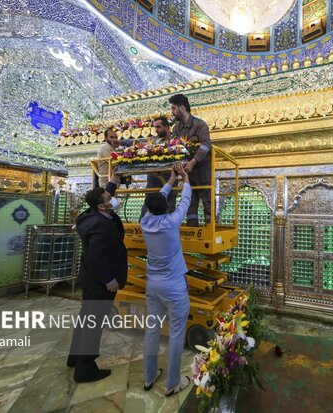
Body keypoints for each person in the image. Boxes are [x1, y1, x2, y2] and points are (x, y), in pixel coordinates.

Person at [67, 187, 128, 382]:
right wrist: (109, 280)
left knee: (86, 318)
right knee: (93, 323)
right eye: (110, 197)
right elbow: (97, 258)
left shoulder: (90, 216)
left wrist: (112, 184)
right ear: (102, 205)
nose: (114, 199)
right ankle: (85, 368)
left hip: (90, 279)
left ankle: (75, 357)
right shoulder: (100, 226)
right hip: (100, 282)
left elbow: (100, 200)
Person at [141, 163, 191, 396]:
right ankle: (172, 383)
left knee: (152, 330)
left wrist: (171, 181)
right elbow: (185, 202)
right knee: (176, 332)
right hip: (173, 286)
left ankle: (149, 377)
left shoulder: (145, 223)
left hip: (153, 286)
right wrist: (185, 178)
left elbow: (157, 201)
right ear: (165, 208)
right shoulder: (172, 222)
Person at [169, 94, 212, 226]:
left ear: (182, 108)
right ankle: (192, 232)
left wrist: (193, 162)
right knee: (189, 201)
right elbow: (174, 146)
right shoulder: (176, 128)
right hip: (186, 171)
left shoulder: (200, 124)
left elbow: (206, 145)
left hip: (202, 169)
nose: (172, 111)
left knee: (207, 200)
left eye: (173, 108)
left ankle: (209, 228)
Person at [140, 116, 177, 218]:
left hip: (169, 179)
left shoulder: (176, 141)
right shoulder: (152, 142)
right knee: (148, 208)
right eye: (155, 127)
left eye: (158, 127)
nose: (156, 130)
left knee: (169, 207)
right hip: (153, 180)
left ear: (167, 127)